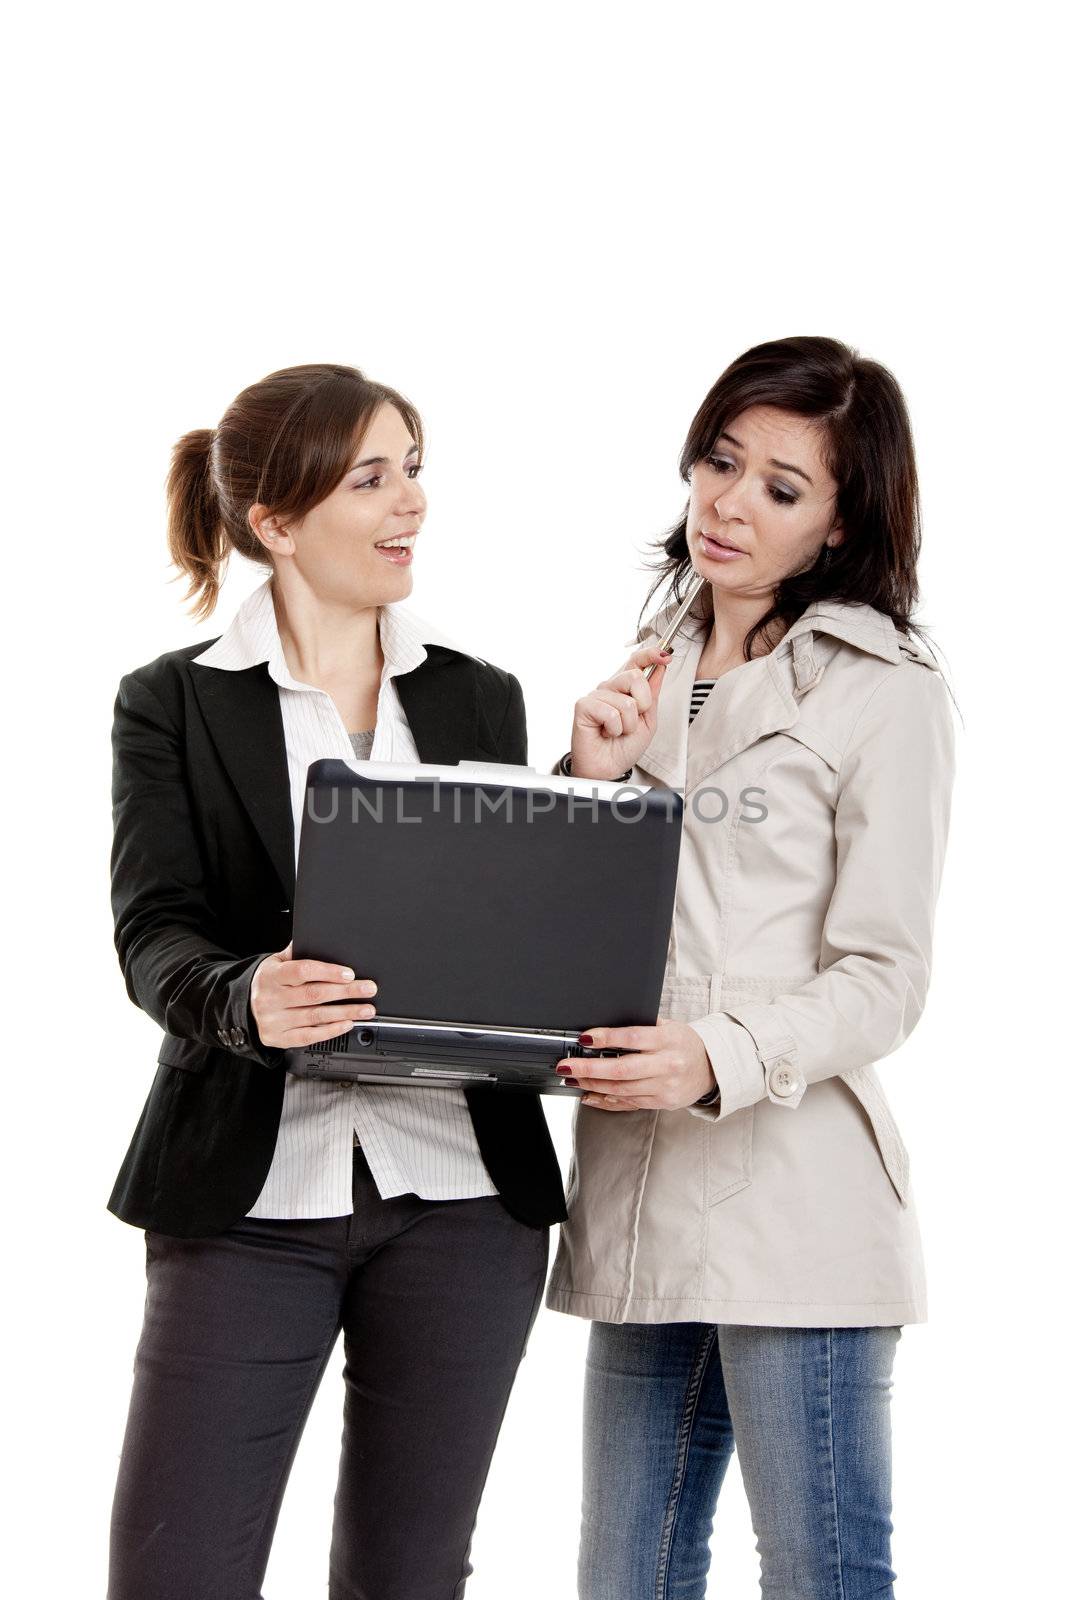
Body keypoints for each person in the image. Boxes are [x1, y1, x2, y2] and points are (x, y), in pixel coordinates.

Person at [106, 362, 566, 1600]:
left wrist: (585, 780)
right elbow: (154, 930)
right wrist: (244, 993)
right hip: (249, 1198)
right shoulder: (176, 703)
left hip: (465, 1200)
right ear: (276, 521)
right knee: (177, 1574)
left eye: (413, 468)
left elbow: (511, 918)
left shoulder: (477, 693)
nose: (409, 501)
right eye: (372, 477)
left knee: (407, 1579)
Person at [548, 336, 957, 1598]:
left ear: (839, 525)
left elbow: (885, 975)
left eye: (783, 486)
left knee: (821, 1572)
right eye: (722, 460)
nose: (728, 501)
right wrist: (587, 779)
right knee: (625, 1576)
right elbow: (565, 937)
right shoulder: (648, 661)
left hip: (796, 1197)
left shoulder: (884, 691)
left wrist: (713, 1054)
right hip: (639, 1189)